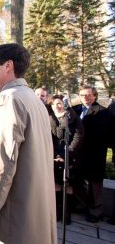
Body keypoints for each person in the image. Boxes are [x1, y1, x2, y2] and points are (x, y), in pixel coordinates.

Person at [0, 43, 57, 243]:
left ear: (7, 66)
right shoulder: (34, 100)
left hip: (9, 225)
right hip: (34, 219)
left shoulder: (7, 100)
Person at [72, 85, 112, 223]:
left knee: (95, 185)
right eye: (82, 95)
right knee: (79, 182)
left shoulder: (103, 112)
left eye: (89, 95)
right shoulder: (74, 110)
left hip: (95, 154)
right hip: (78, 155)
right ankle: (82, 206)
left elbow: (105, 134)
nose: (85, 97)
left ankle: (96, 212)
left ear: (95, 96)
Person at [49, 94, 83, 224]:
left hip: (70, 158)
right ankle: (57, 212)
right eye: (53, 104)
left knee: (68, 186)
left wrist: (66, 155)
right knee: (56, 185)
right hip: (55, 158)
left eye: (59, 103)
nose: (57, 106)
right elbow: (48, 139)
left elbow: (78, 138)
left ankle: (66, 213)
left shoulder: (73, 119)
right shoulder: (49, 119)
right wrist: (55, 155)